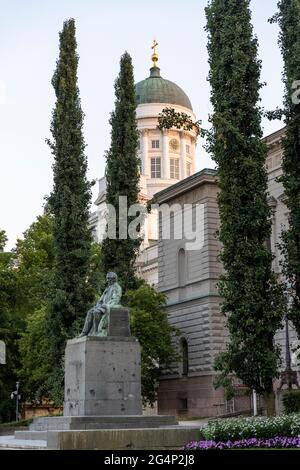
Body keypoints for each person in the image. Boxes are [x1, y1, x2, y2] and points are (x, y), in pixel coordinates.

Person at [78, 272, 122, 337]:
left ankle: (96, 332)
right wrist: (98, 305)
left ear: (113, 279)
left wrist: (107, 305)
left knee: (96, 312)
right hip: (102, 306)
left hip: (109, 306)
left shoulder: (117, 287)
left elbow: (116, 299)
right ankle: (84, 332)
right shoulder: (107, 288)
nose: (107, 280)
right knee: (90, 311)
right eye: (107, 278)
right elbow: (101, 300)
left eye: (108, 278)